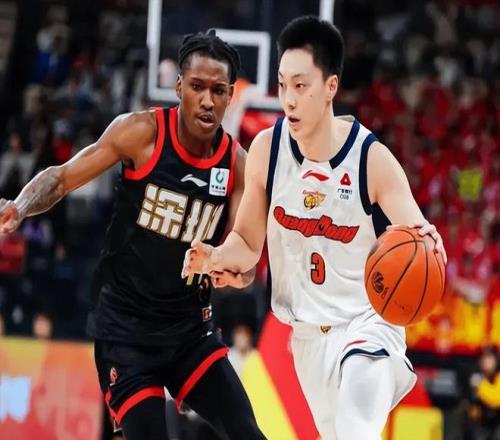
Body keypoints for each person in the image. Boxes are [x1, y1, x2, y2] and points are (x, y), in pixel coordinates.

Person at [183, 16, 448, 440]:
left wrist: (431, 246)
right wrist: (214, 256)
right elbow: (247, 243)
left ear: (330, 87)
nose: (288, 99)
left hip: (367, 325)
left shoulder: (371, 160)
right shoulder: (267, 151)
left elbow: (420, 239)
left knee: (357, 430)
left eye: (301, 86)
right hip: (307, 338)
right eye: (282, 85)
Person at [0, 30, 265, 440]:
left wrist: (232, 272)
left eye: (218, 90)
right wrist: (19, 207)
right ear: (179, 87)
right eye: (197, 87)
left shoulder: (238, 166)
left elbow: (244, 259)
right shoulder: (141, 133)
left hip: (189, 332)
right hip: (126, 333)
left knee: (247, 432)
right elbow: (62, 178)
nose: (207, 100)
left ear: (231, 95)